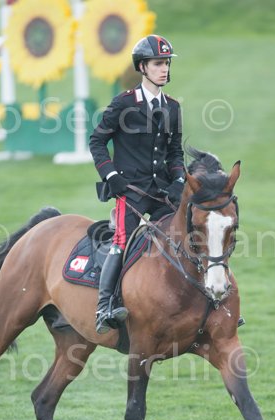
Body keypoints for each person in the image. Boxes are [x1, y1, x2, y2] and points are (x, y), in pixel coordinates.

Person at [89, 34, 185, 334]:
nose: (164, 69)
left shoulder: (173, 107)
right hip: (129, 191)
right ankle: (104, 307)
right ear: (142, 67)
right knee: (123, 241)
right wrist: (111, 176)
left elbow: (175, 152)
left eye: (166, 63)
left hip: (162, 192)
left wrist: (179, 179)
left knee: (188, 235)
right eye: (158, 64)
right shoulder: (124, 103)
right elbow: (97, 141)